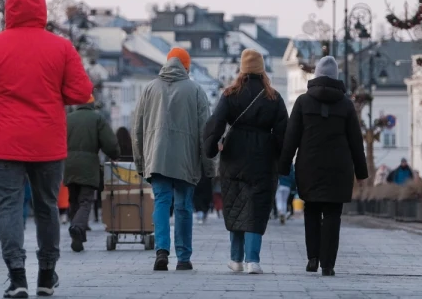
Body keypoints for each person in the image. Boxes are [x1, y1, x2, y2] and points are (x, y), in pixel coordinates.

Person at [0, 0, 93, 299]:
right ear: (42, 8)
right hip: (47, 141)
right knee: (47, 206)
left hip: (5, 142)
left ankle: (17, 276)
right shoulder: (60, 47)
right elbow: (81, 91)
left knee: (8, 207)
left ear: (9, 8)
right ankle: (46, 274)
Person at [278, 56, 368, 277]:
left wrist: (282, 167)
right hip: (339, 169)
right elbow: (356, 141)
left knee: (311, 211)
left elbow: (291, 137)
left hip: (309, 166)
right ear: (336, 77)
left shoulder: (302, 102)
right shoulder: (346, 105)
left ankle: (313, 258)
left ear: (316, 75)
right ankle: (328, 264)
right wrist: (361, 172)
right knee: (332, 215)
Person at [203, 50, 288, 274]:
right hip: (263, 156)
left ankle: (235, 259)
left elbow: (217, 122)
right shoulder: (274, 97)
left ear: (242, 69)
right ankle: (253, 260)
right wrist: (282, 161)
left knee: (235, 204)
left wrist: (210, 148)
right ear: (262, 70)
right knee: (257, 207)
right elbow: (283, 133)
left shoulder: (230, 94)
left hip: (234, 155)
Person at [132, 48, 213, 272]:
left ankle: (161, 251)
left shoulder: (149, 89)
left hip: (156, 157)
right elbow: (205, 132)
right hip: (186, 160)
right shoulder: (196, 90)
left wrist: (140, 162)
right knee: (184, 206)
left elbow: (136, 129)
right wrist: (209, 166)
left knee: (161, 202)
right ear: (186, 67)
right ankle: (184, 257)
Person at [64, 96, 119, 252]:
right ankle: (77, 226)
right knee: (85, 200)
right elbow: (109, 142)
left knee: (73, 200)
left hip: (68, 164)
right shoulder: (97, 118)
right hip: (88, 165)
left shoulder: (68, 118)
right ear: (92, 104)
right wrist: (115, 154)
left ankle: (77, 238)